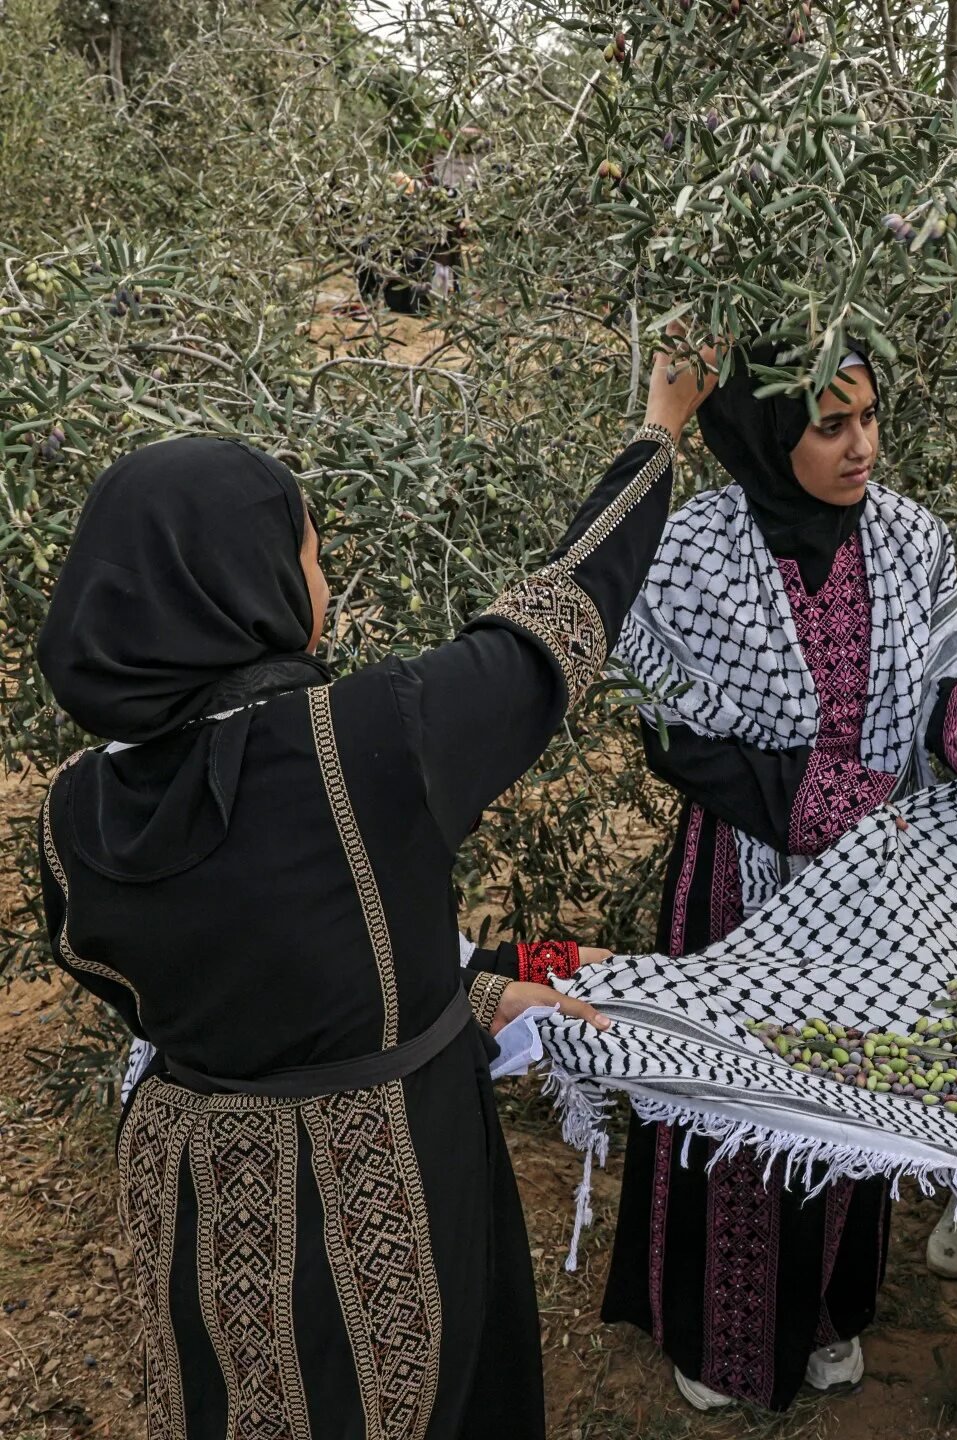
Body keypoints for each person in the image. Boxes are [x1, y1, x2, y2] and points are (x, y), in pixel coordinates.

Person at [31, 340, 713, 1438]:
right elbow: (560, 624)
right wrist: (661, 428)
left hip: (195, 1188)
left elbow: (210, 982)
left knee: (226, 1405)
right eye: (308, 552)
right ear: (245, 580)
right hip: (383, 1172)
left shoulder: (70, 815)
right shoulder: (366, 742)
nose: (324, 581)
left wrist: (465, 1000)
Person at [598, 341, 957, 1412]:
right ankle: (716, 1337)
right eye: (832, 426)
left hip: (871, 891)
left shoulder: (911, 538)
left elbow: (940, 682)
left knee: (845, 1096)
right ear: (765, 433)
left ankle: (831, 1316)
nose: (864, 447)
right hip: (738, 883)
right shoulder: (696, 548)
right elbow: (672, 735)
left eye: (872, 419)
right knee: (734, 1100)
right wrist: (833, 807)